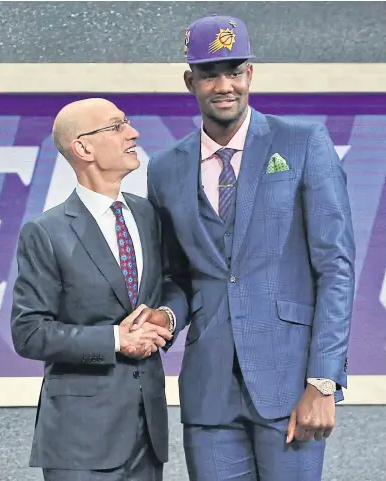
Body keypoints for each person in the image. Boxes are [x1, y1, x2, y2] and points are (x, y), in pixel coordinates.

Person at [137, 14, 356, 481]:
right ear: (189, 81)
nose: (224, 85)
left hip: (292, 384)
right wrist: (168, 316)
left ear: (250, 74)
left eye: (234, 71)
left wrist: (323, 379)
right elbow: (178, 274)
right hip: (209, 393)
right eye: (210, 74)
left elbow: (335, 268)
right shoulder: (164, 169)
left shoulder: (303, 143)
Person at [11, 98, 187, 481]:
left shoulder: (150, 215)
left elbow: (176, 284)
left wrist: (167, 316)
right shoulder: (46, 233)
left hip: (147, 434)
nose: (133, 133)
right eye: (117, 126)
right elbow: (29, 333)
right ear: (83, 147)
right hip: (79, 443)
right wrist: (114, 340)